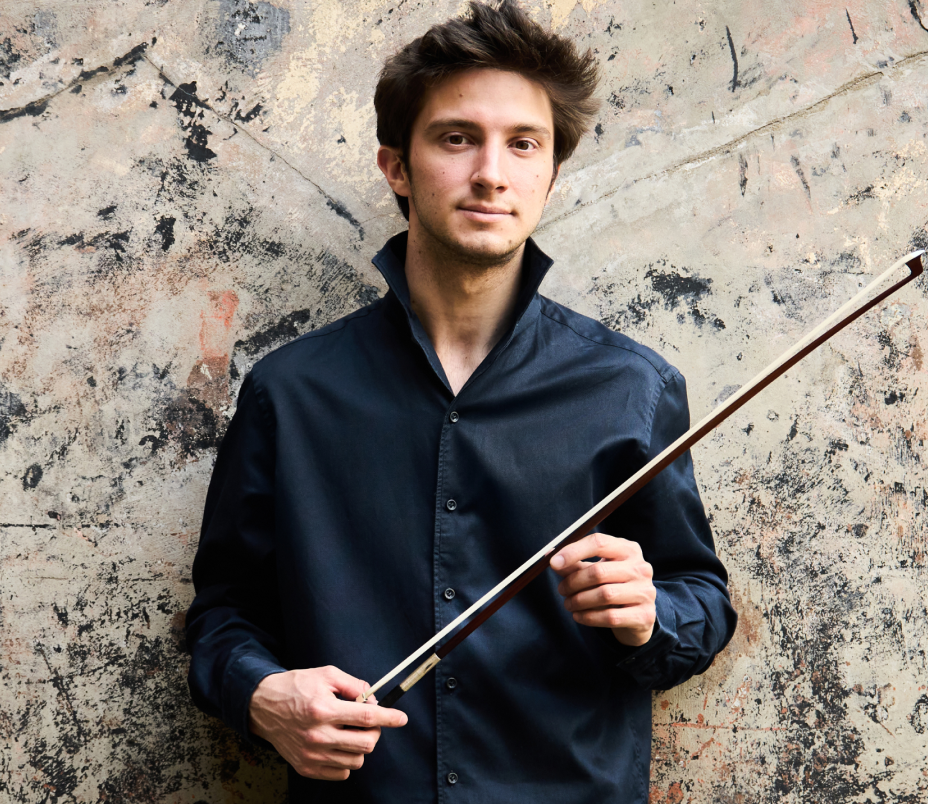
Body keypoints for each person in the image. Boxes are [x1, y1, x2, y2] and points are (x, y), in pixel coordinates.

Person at [184, 2, 736, 800]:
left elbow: (701, 600)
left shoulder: (632, 389)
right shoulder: (290, 394)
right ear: (397, 167)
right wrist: (259, 694)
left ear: (550, 172)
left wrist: (651, 614)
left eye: (524, 144)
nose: (490, 172)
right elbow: (223, 613)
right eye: (456, 138)